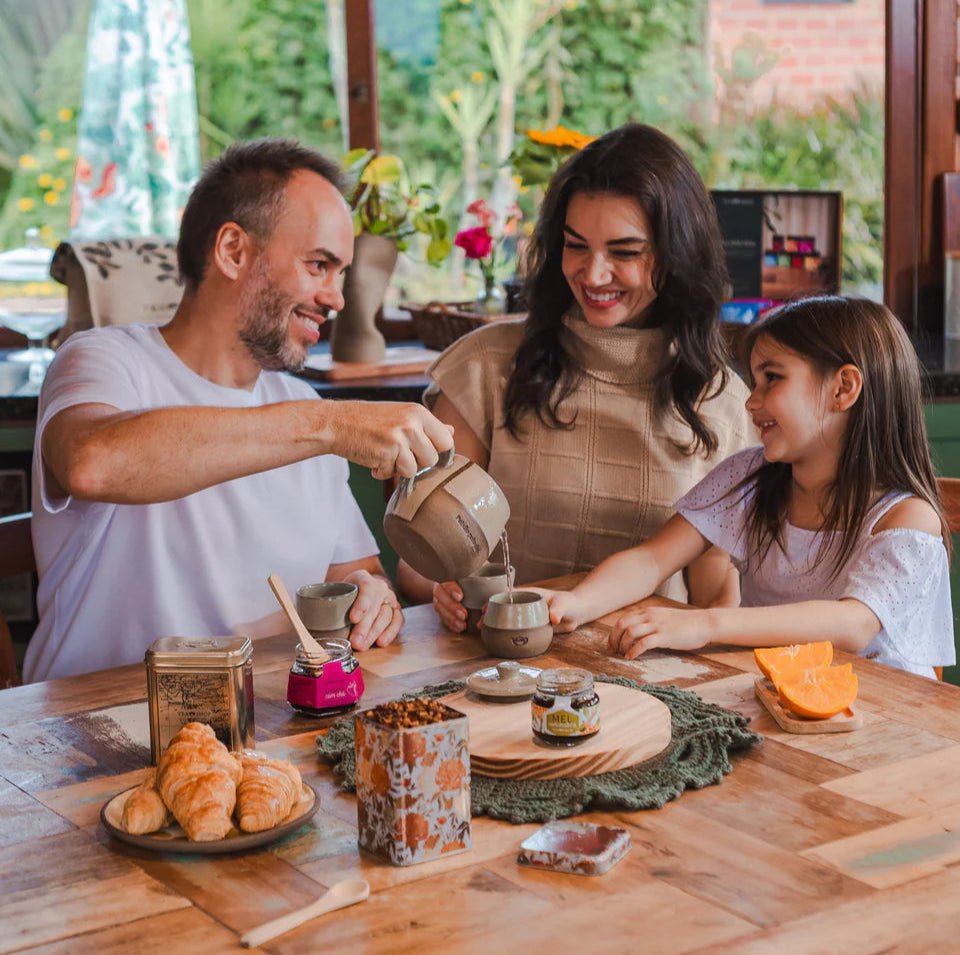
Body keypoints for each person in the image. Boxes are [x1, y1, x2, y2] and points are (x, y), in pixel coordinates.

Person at [24, 138, 454, 683]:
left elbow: (358, 573)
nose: (337, 298)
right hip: (95, 736)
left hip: (265, 732)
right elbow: (93, 463)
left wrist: (373, 597)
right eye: (319, 265)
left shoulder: (305, 411)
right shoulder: (104, 361)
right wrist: (329, 425)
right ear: (231, 250)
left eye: (340, 273)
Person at [399, 123, 754, 630]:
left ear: (677, 255)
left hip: (649, 678)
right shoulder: (485, 366)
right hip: (498, 670)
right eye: (576, 246)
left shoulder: (722, 403)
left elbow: (713, 594)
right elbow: (417, 566)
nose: (593, 274)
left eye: (625, 252)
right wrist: (444, 589)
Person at [545, 296, 955, 680]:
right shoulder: (747, 479)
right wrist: (578, 603)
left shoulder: (906, 517)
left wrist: (706, 623)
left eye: (772, 379)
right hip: (783, 698)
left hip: (889, 722)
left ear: (843, 388)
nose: (750, 402)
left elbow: (854, 624)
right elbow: (652, 560)